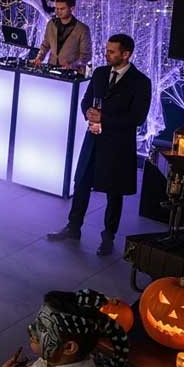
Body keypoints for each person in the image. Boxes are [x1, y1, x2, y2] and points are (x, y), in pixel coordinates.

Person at [47, 34, 151, 256]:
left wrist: (104, 118)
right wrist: (88, 113)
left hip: (118, 146)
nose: (107, 54)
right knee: (81, 183)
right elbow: (86, 101)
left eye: (112, 52)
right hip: (93, 140)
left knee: (114, 192)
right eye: (106, 50)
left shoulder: (141, 82)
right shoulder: (100, 73)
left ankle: (108, 237)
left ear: (126, 54)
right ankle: (73, 227)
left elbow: (137, 117)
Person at [2, 289, 129, 367]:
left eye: (41, 327)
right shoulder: (56, 357)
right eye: (36, 322)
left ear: (68, 347)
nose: (30, 328)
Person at [32, 0, 92, 71]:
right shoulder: (51, 24)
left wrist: (72, 65)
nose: (58, 12)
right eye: (56, 8)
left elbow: (86, 55)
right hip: (51, 68)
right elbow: (45, 45)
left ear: (72, 8)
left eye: (62, 9)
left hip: (72, 72)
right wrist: (39, 58)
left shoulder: (83, 29)